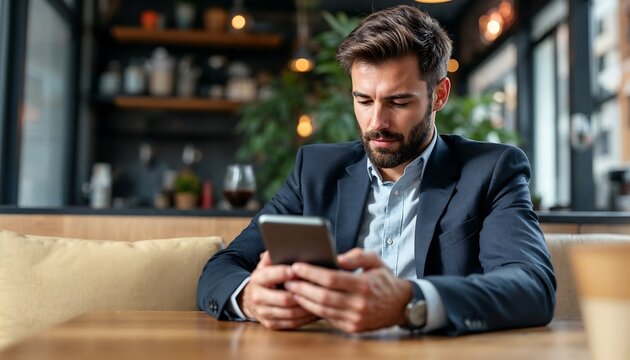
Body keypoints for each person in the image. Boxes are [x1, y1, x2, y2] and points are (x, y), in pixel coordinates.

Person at [197, 5, 555, 335]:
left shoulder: (491, 171)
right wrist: (249, 299)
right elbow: (223, 268)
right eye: (363, 100)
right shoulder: (316, 171)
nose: (377, 122)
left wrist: (408, 302)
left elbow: (531, 286)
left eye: (398, 101)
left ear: (439, 95)